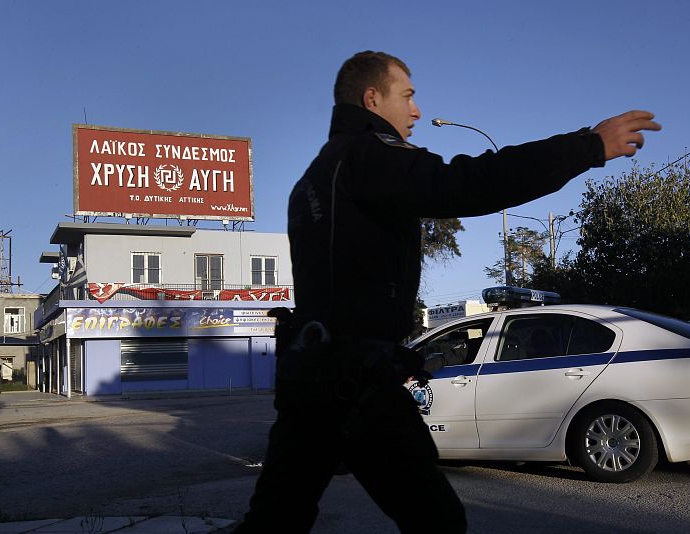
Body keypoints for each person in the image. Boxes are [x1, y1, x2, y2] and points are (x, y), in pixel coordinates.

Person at [237, 50, 660, 533]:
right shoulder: (367, 153)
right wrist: (588, 146)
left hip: (311, 377)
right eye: (408, 96)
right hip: (353, 383)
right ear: (372, 99)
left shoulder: (315, 176)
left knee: (273, 521)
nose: (416, 111)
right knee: (437, 522)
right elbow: (468, 184)